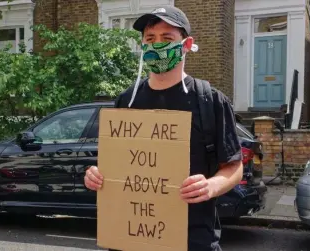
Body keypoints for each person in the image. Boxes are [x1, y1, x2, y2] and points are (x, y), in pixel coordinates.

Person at [84, 6, 243, 251]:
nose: (157, 45)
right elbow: (115, 166)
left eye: (167, 38)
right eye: (150, 39)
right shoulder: (126, 101)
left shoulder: (209, 100)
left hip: (191, 241)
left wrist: (211, 186)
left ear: (186, 44)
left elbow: (234, 167)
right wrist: (95, 175)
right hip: (130, 238)